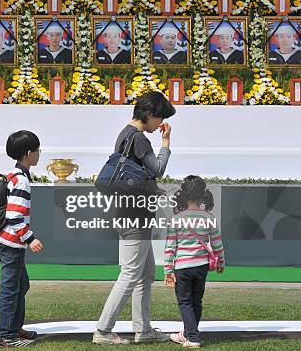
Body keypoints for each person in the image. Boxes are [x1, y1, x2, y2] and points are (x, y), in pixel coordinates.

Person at [93, 91, 175, 345]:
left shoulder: (124, 134)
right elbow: (158, 168)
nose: (160, 123)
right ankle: (103, 331)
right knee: (130, 275)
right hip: (134, 216)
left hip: (129, 211)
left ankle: (144, 330)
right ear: (149, 114)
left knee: (146, 274)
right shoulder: (138, 138)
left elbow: (132, 176)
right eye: (159, 117)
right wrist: (166, 143)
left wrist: (151, 188)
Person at [0, 130, 44, 347]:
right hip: (11, 242)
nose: (40, 154)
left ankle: (15, 328)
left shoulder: (14, 175)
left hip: (8, 241)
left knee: (21, 285)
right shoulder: (21, 180)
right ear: (29, 153)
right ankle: (7, 335)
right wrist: (30, 238)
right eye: (38, 150)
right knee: (11, 288)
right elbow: (14, 214)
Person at [164, 176, 225, 349]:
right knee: (196, 302)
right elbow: (217, 244)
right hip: (201, 266)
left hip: (182, 267)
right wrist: (221, 262)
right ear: (203, 195)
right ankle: (188, 333)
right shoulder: (209, 217)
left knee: (185, 302)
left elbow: (170, 248)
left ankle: (193, 337)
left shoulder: (175, 219)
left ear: (182, 194)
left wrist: (168, 271)